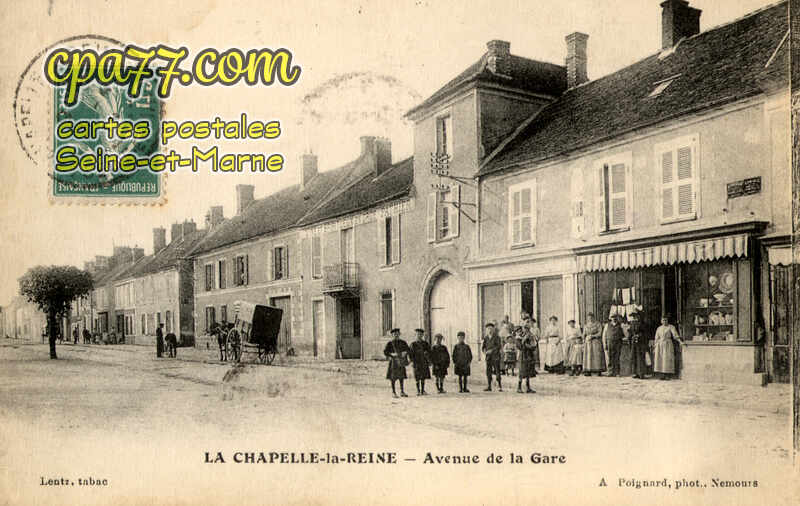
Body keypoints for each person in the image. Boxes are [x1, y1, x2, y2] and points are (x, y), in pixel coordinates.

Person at [384, 328, 410, 398]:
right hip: (393, 362)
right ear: (392, 335)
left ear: (399, 334)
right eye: (394, 334)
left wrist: (405, 352)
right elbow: (385, 352)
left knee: (401, 377)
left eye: (397, 334)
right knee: (393, 377)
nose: (396, 335)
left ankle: (402, 391)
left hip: (401, 361)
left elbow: (408, 349)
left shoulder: (403, 342)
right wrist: (391, 354)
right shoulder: (390, 343)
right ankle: (393, 392)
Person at [654, 315, 679, 380]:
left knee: (667, 358)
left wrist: (680, 341)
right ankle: (662, 374)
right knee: (661, 359)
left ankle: (668, 374)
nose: (664, 321)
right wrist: (655, 345)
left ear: (667, 321)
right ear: (661, 321)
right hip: (660, 344)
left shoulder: (671, 327)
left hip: (667, 344)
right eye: (663, 320)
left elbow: (675, 335)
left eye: (666, 320)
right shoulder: (659, 328)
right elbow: (656, 337)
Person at [409, 329, 432, 395]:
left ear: (422, 335)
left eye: (421, 334)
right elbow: (410, 354)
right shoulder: (413, 344)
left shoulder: (425, 343)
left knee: (423, 376)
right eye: (418, 334)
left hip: (423, 362)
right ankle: (418, 390)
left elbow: (430, 352)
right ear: (415, 335)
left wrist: (428, 356)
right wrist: (411, 361)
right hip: (416, 362)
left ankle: (422, 390)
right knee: (417, 376)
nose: (419, 336)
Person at [482, 323, 503, 391]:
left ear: (493, 329)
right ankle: (489, 386)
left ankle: (499, 386)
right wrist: (484, 351)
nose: (489, 330)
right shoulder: (486, 338)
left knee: (497, 371)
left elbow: (498, 346)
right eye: (488, 329)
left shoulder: (497, 337)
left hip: (495, 357)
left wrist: (491, 351)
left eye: (491, 329)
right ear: (486, 330)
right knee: (488, 371)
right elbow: (483, 347)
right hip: (488, 357)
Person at [516, 326, 537, 393]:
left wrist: (531, 344)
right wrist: (524, 340)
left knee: (528, 372)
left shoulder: (526, 337)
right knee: (521, 371)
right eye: (518, 331)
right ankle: (519, 387)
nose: (520, 332)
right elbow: (520, 347)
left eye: (521, 331)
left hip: (528, 355)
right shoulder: (518, 339)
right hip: (522, 356)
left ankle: (528, 387)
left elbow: (532, 344)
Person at [629, 313, 648, 379]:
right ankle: (635, 373)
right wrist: (631, 337)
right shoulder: (631, 324)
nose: (634, 318)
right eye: (633, 317)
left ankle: (641, 373)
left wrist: (639, 335)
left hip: (641, 343)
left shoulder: (642, 324)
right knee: (634, 357)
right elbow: (630, 332)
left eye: (636, 317)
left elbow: (645, 333)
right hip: (634, 343)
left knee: (640, 357)